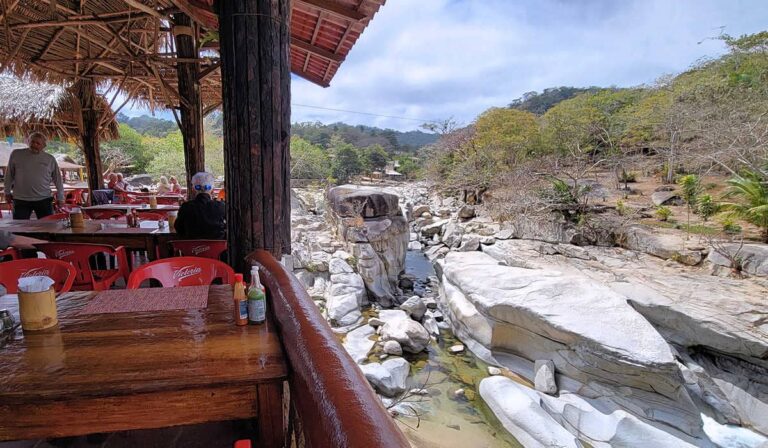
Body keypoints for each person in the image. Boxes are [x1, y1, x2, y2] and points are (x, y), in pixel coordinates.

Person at [3, 132, 64, 219]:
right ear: (28, 142)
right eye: (32, 142)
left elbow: (58, 180)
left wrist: (61, 197)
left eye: (38, 143)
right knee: (20, 228)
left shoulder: (50, 159)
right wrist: (7, 192)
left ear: (44, 146)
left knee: (47, 228)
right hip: (21, 199)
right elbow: (9, 175)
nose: (34, 145)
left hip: (44, 199)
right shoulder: (16, 154)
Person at [174, 172, 225, 239]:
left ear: (193, 190)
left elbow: (178, 228)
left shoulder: (186, 207)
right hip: (218, 248)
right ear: (212, 190)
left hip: (191, 248)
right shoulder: (221, 206)